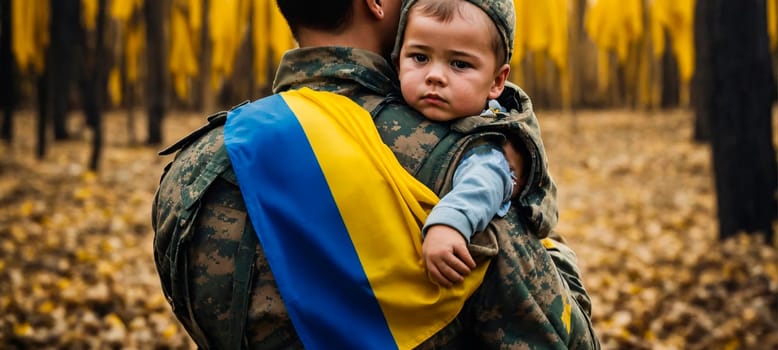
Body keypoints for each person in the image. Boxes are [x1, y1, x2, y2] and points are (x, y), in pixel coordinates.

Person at [152, 0, 600, 349]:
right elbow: (560, 336)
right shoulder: (451, 163)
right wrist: (553, 250)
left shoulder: (192, 167)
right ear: (375, 3)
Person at [395, 0, 528, 288]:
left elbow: (487, 179)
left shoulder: (481, 136)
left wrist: (450, 223)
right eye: (419, 57)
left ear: (496, 82)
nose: (435, 76)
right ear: (397, 59)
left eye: (459, 64)